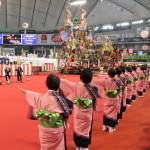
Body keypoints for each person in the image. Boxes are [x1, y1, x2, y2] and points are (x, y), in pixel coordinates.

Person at [18, 74, 73, 150]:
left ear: (46, 84)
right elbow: (69, 107)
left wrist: (24, 91)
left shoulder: (40, 97)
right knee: (59, 146)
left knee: (45, 146)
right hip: (57, 129)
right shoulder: (62, 101)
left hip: (44, 129)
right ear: (58, 86)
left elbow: (32, 94)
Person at [59, 69, 98, 150]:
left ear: (80, 78)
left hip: (78, 112)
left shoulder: (77, 86)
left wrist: (57, 80)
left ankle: (78, 146)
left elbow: (66, 83)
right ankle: (85, 146)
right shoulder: (94, 89)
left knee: (77, 128)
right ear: (91, 78)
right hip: (88, 114)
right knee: (86, 130)